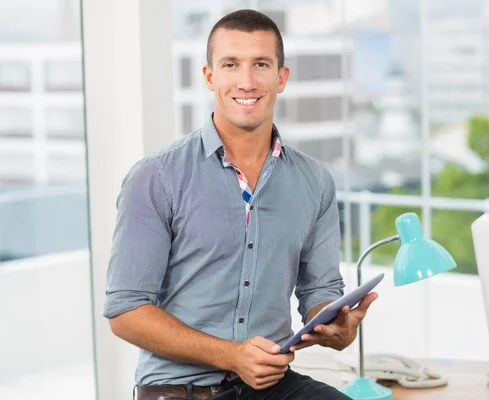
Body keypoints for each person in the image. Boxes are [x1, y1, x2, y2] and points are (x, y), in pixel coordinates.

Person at [104, 9, 378, 400]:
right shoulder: (156, 177)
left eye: (261, 64)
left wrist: (337, 327)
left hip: (271, 386)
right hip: (179, 390)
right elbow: (125, 312)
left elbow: (320, 293)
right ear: (209, 76)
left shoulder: (314, 182)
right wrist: (233, 356)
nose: (246, 81)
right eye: (231, 64)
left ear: (281, 78)